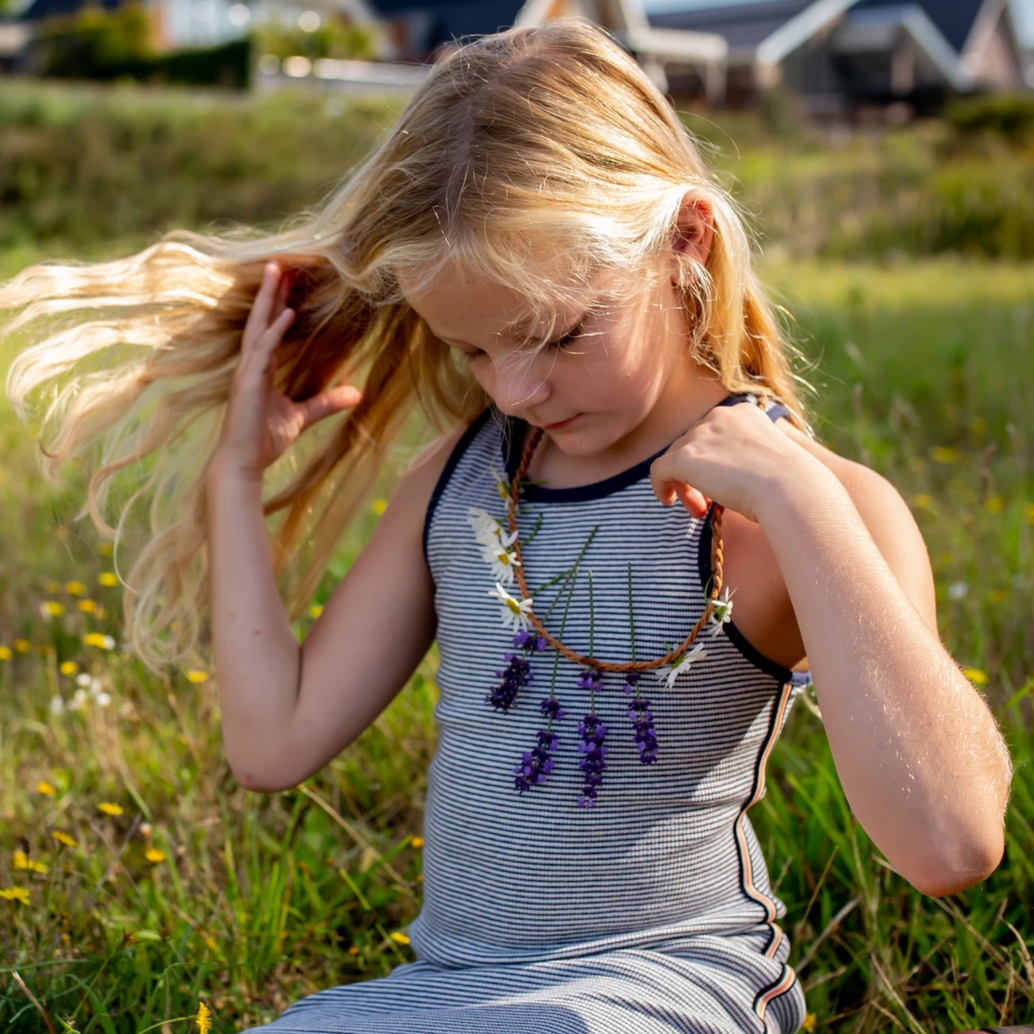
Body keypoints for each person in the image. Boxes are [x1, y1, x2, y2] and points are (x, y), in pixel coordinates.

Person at [0, 18, 1013, 1034]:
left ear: (683, 243)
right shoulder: (461, 484)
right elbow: (273, 741)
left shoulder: (811, 502)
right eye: (474, 350)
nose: (518, 387)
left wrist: (800, 502)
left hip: (661, 988)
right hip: (443, 992)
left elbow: (949, 843)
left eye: (559, 333)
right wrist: (235, 473)